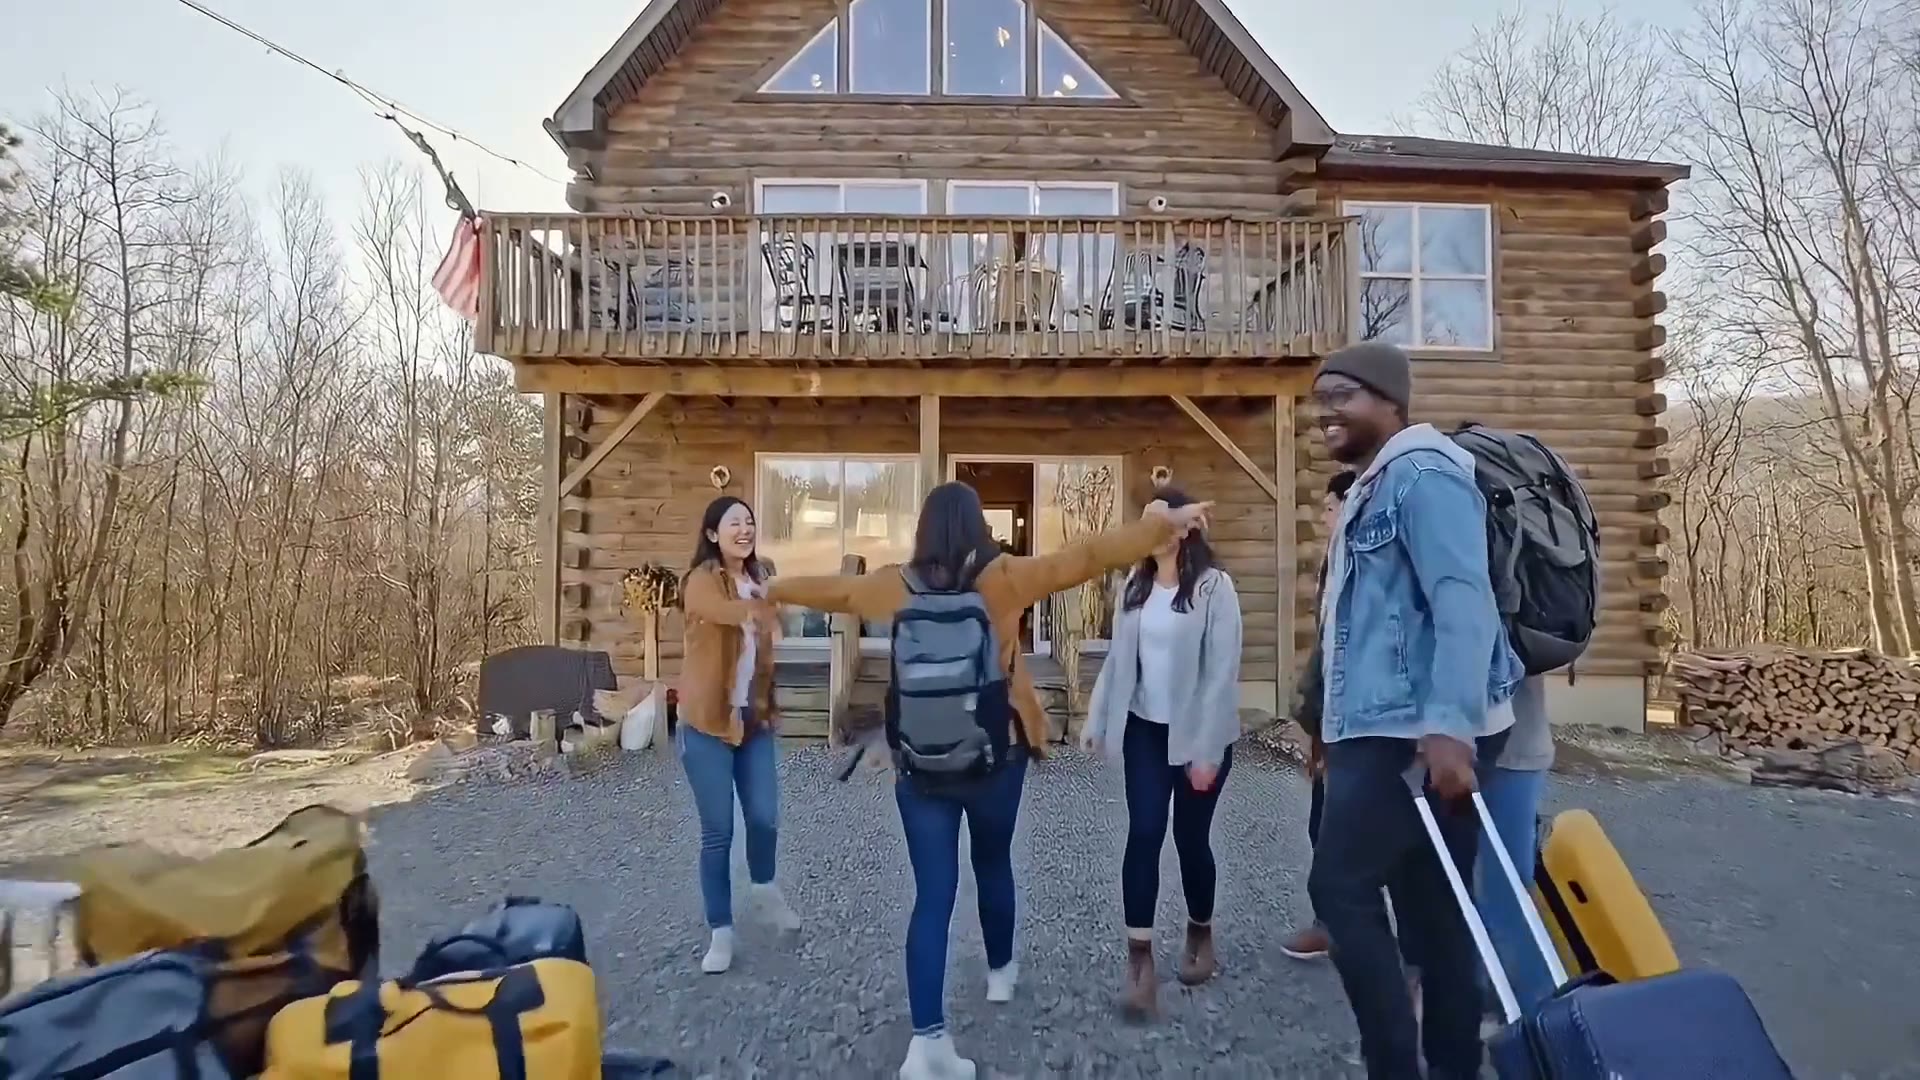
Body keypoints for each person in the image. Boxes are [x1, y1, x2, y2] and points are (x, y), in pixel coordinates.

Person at [768, 482, 1212, 1080]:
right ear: (978, 526)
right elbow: (1083, 557)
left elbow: (838, 591)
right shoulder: (1003, 578)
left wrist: (772, 588)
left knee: (932, 896)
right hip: (994, 754)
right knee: (994, 862)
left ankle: (926, 1043)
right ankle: (1000, 972)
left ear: (924, 528)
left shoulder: (896, 584)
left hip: (921, 762)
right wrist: (1160, 527)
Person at [1305, 341, 1525, 1080]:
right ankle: (1453, 1066)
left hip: (1410, 731)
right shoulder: (1374, 485)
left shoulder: (1423, 475)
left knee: (1339, 887)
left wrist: (1450, 724)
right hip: (1385, 726)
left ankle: (1394, 1064)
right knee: (1435, 913)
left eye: (1343, 395)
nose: (1326, 411)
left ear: (1390, 402)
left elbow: (1464, 599)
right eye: (1321, 398)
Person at [1080, 487, 1243, 1019]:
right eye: (1145, 521)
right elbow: (1118, 659)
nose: (1150, 532)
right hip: (1145, 731)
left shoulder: (1215, 587)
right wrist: (1098, 717)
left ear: (1184, 528)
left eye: (1160, 521)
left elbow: (1221, 673)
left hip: (1198, 732)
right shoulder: (1135, 584)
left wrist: (1207, 751)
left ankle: (1200, 931)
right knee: (1145, 832)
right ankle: (1140, 962)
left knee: (1191, 839)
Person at [676, 495, 801, 976]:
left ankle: (764, 889)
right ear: (713, 534)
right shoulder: (701, 580)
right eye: (734, 523)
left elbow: (770, 644)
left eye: (749, 521)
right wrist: (757, 607)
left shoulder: (759, 577)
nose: (744, 529)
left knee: (765, 818)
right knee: (719, 832)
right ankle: (721, 931)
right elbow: (719, 610)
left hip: (753, 721)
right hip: (707, 723)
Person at [1279, 469, 1356, 962]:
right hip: (1333, 714)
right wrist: (1313, 724)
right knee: (1322, 822)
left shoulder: (1366, 560)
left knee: (1352, 827)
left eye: (1330, 507)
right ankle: (1332, 923)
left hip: (1364, 721)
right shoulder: (1333, 561)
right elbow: (1326, 650)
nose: (1324, 516)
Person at [1477, 675, 1556, 1013]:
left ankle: (1542, 1017)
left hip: (1507, 752)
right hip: (1481, 749)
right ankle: (1476, 1002)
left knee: (1504, 896)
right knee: (1466, 893)